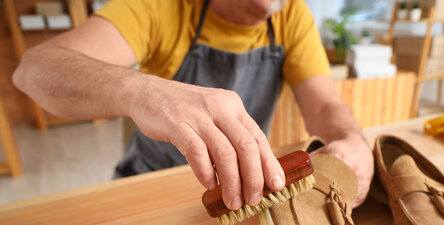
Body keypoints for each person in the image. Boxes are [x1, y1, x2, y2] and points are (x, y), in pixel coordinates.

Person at [13, 0, 374, 212]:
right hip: (147, 188)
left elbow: (325, 104)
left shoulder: (291, 15)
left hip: (245, 194)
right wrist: (143, 90)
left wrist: (350, 138)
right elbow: (33, 69)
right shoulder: (162, 7)